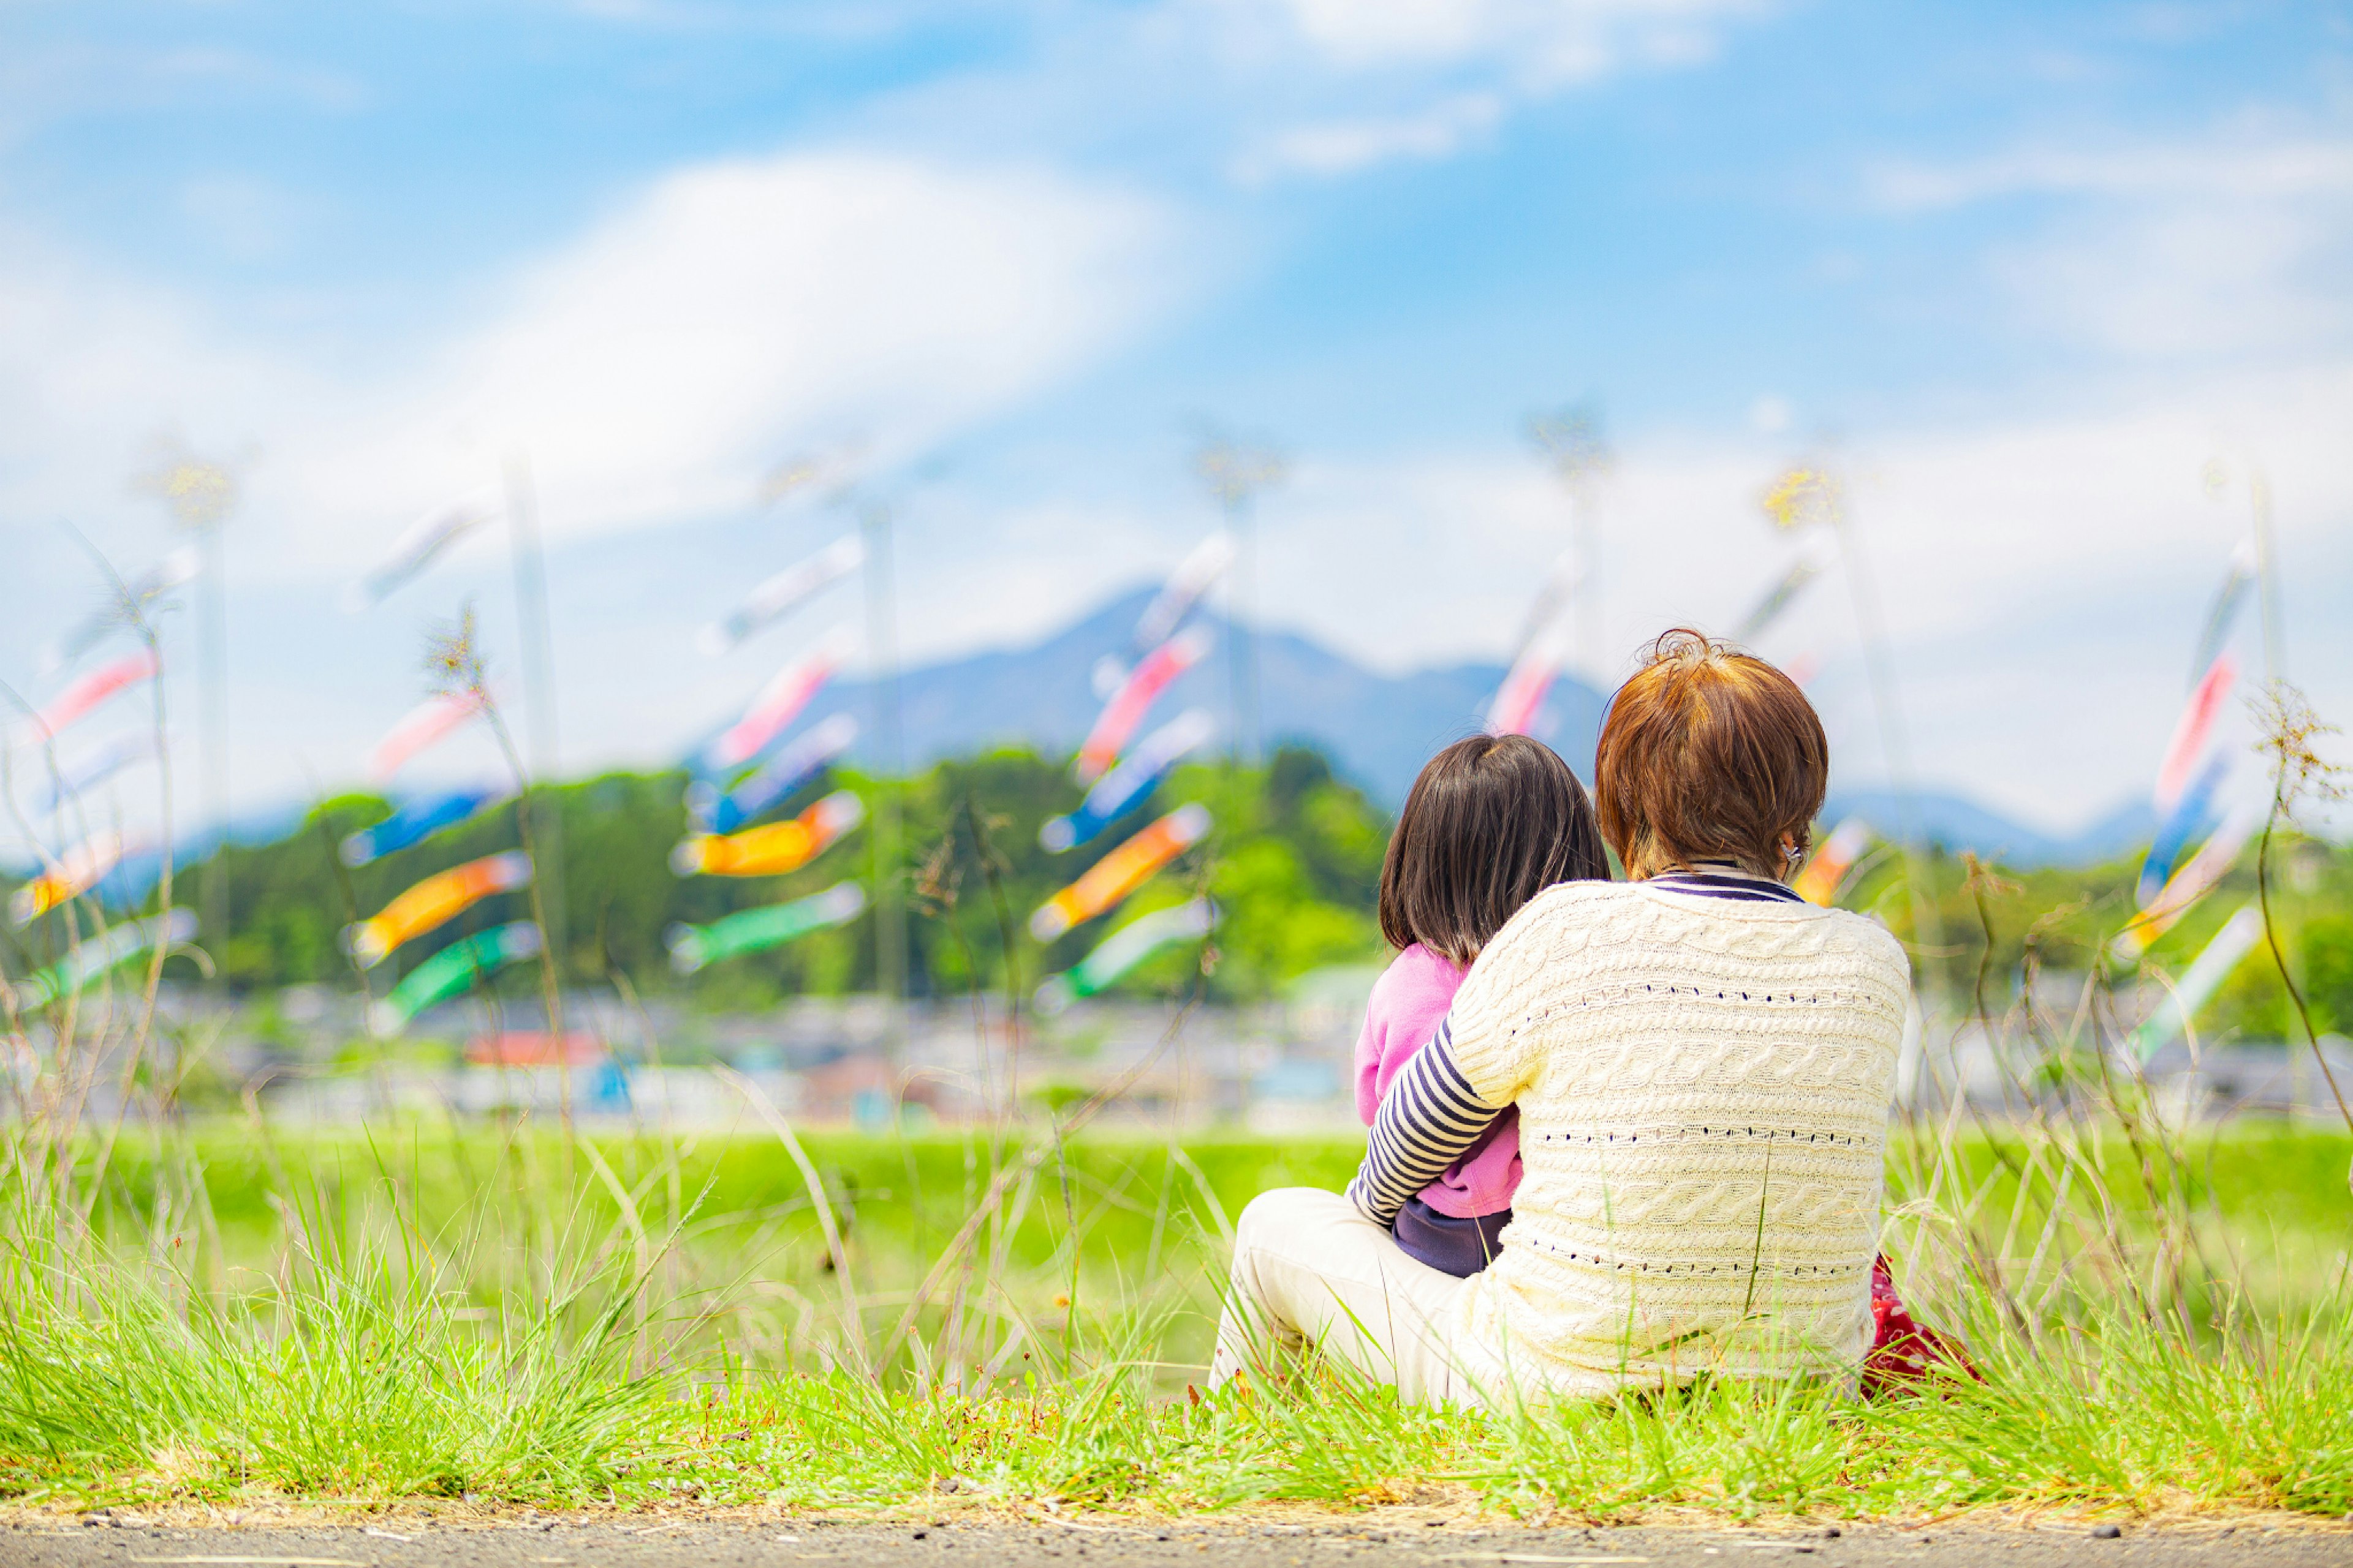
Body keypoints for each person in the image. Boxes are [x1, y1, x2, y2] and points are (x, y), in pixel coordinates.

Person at [1211, 630, 1914, 1406]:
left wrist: (1367, 1228)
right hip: (1796, 1397)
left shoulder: (1562, 931)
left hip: (1558, 1388)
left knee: (1277, 1223)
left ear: (1622, 814)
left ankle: (1230, 1456)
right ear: (1799, 818)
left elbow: (1409, 1142)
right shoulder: (1872, 962)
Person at [1352, 733, 1610, 1278]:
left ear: (1419, 861)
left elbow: (1380, 1108)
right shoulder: (1583, 973)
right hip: (1557, 1223)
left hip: (1439, 1235)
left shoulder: (1410, 981)